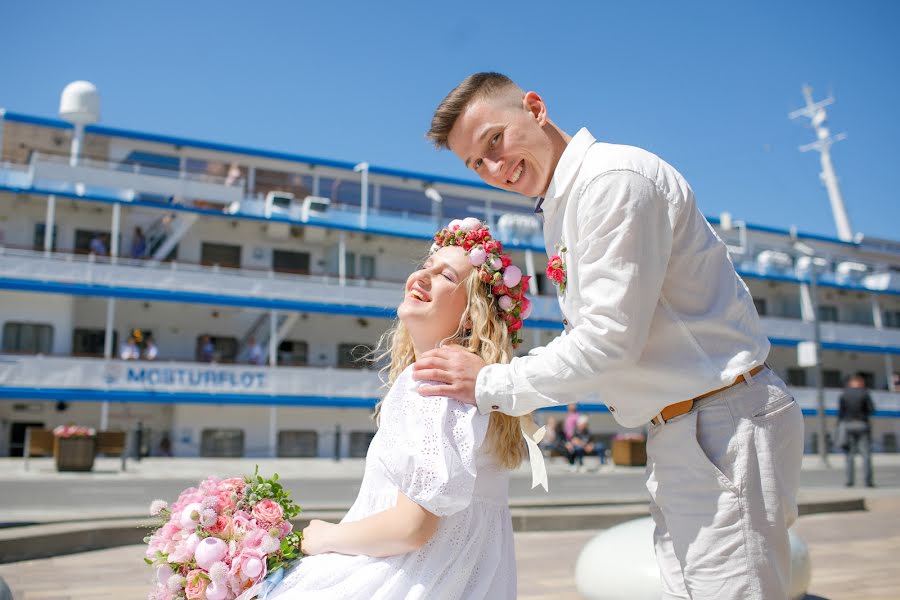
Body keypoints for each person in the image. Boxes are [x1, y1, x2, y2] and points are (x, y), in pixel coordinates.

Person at [414, 72, 804, 599]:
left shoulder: (611, 181)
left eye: (494, 141)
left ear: (535, 107)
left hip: (719, 419)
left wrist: (490, 381)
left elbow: (608, 340)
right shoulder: (569, 201)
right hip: (688, 424)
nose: (494, 168)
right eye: (476, 164)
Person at [269, 219, 543, 599]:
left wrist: (325, 537)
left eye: (445, 275)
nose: (423, 275)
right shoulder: (474, 395)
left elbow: (411, 527)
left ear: (471, 315)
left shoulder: (432, 381)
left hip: (408, 583)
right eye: (427, 265)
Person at [837, 374, 876, 487]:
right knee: (866, 454)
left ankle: (849, 481)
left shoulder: (844, 394)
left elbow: (840, 413)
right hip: (862, 424)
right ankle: (868, 481)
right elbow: (871, 409)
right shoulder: (865, 393)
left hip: (848, 425)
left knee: (849, 455)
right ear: (860, 382)